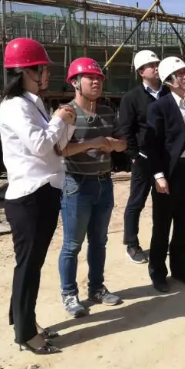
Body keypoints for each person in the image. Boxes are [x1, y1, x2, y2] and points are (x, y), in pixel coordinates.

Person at [0, 37, 76, 355]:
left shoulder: (33, 103)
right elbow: (41, 145)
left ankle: (22, 320)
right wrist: (59, 120)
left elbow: (56, 147)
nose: (47, 74)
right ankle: (26, 333)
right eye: (43, 68)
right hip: (30, 197)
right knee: (29, 266)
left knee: (31, 264)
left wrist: (67, 123)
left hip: (44, 192)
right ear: (26, 71)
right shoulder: (14, 106)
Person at [57, 58, 126, 318]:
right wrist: (93, 142)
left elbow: (122, 143)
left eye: (99, 78)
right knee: (72, 244)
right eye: (90, 78)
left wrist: (112, 144)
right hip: (77, 185)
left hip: (104, 183)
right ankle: (69, 294)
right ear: (75, 83)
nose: (96, 82)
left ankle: (96, 288)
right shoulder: (68, 113)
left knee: (99, 241)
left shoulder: (107, 111)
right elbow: (60, 149)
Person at [145, 56, 185, 293]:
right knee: (162, 227)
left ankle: (180, 269)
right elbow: (153, 145)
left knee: (182, 225)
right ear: (169, 80)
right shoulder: (159, 107)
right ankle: (158, 273)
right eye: (180, 74)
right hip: (169, 174)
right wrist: (158, 175)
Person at [118, 49, 169, 264]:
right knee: (137, 201)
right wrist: (134, 156)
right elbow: (126, 128)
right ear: (141, 72)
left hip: (165, 158)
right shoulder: (131, 98)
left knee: (163, 202)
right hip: (143, 158)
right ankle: (131, 243)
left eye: (157, 64)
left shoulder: (168, 94)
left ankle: (160, 242)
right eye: (151, 66)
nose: (156, 68)